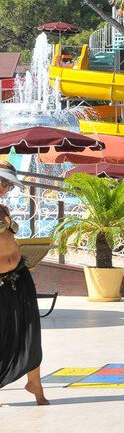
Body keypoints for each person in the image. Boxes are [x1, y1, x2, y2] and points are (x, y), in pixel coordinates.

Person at [0, 161, 48, 406]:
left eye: (9, 185)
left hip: (19, 276)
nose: (6, 189)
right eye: (4, 183)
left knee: (30, 330)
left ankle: (34, 383)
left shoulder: (2, 208)